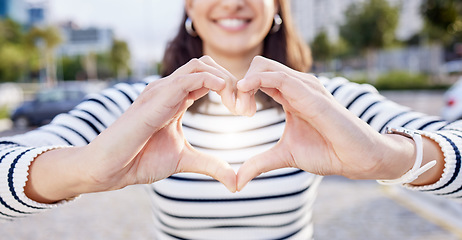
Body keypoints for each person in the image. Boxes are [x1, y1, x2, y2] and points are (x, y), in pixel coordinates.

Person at [0, 0, 461, 239]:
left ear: (277, 7)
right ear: (189, 8)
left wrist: (389, 158)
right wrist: (83, 170)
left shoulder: (327, 100)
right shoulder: (140, 106)